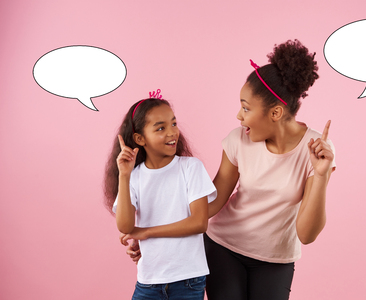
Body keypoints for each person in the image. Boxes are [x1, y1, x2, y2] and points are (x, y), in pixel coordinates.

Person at [127, 39, 336, 300]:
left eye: (246, 108)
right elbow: (208, 207)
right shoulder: (239, 140)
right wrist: (153, 240)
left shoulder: (316, 151)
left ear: (276, 113)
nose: (239, 115)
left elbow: (306, 234)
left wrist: (321, 173)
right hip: (223, 247)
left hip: (276, 259)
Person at [103, 94, 217, 300]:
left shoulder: (190, 168)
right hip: (148, 281)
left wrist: (146, 232)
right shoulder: (135, 177)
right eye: (160, 128)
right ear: (140, 139)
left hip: (188, 280)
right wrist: (125, 175)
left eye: (173, 123)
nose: (173, 132)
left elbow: (199, 222)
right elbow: (126, 227)